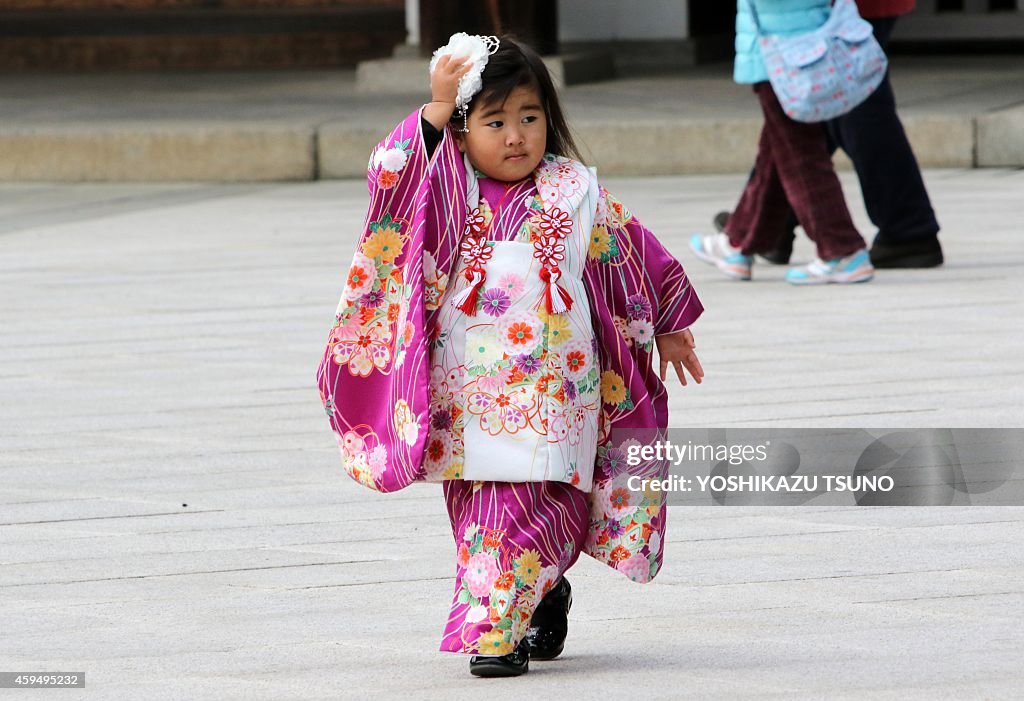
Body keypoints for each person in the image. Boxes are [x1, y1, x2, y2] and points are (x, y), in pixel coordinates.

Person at [315, 34, 705, 677]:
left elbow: (631, 252)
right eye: (494, 121)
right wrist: (437, 106)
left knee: (532, 494)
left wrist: (667, 322)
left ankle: (494, 628)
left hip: (555, 384)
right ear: (465, 131)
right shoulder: (444, 186)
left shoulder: (573, 191)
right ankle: (540, 588)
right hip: (466, 384)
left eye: (530, 116)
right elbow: (389, 176)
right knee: (479, 503)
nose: (517, 135)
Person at [713, 0, 943, 269]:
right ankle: (761, 228)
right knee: (798, 119)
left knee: (848, 111)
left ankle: (896, 230)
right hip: (819, 12)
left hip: (823, 13)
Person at [690, 0, 875, 285]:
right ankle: (738, 243)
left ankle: (842, 249)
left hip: (786, 50)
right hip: (792, 46)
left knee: (801, 155)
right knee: (777, 152)